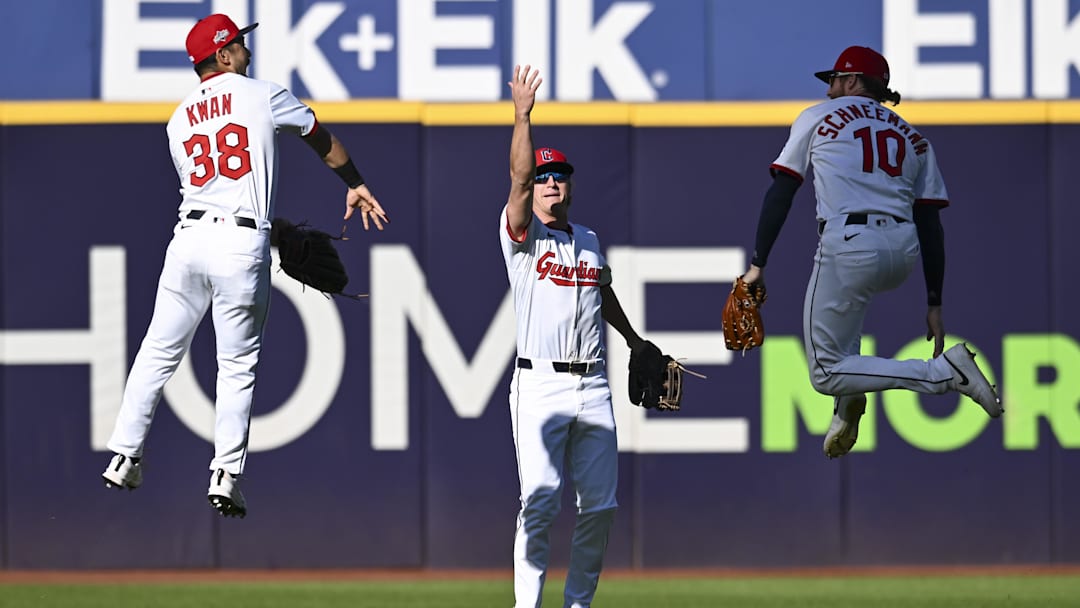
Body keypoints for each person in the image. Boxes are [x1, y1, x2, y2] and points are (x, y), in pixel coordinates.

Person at [100, 14, 389, 517]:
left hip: (188, 239)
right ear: (225, 56)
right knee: (235, 365)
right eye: (238, 43)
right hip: (239, 244)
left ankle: (124, 454)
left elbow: (212, 193)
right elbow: (320, 139)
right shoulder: (260, 94)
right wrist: (355, 183)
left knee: (156, 351)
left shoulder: (177, 120)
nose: (245, 50)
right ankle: (226, 474)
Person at [738, 46, 1002, 459]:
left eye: (835, 79)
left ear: (854, 81)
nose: (828, 89)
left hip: (850, 244)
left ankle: (939, 374)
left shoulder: (817, 116)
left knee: (825, 372)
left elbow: (783, 190)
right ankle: (848, 404)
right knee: (847, 328)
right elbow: (931, 224)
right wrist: (935, 302)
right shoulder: (913, 136)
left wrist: (758, 263)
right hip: (903, 250)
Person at [501, 65, 646, 607]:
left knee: (601, 507)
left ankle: (577, 604)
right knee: (539, 501)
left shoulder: (588, 239)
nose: (551, 181)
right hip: (539, 386)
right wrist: (522, 116)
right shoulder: (522, 236)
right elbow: (516, 180)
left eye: (559, 174)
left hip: (593, 388)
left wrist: (633, 341)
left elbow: (599, 293)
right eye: (544, 176)